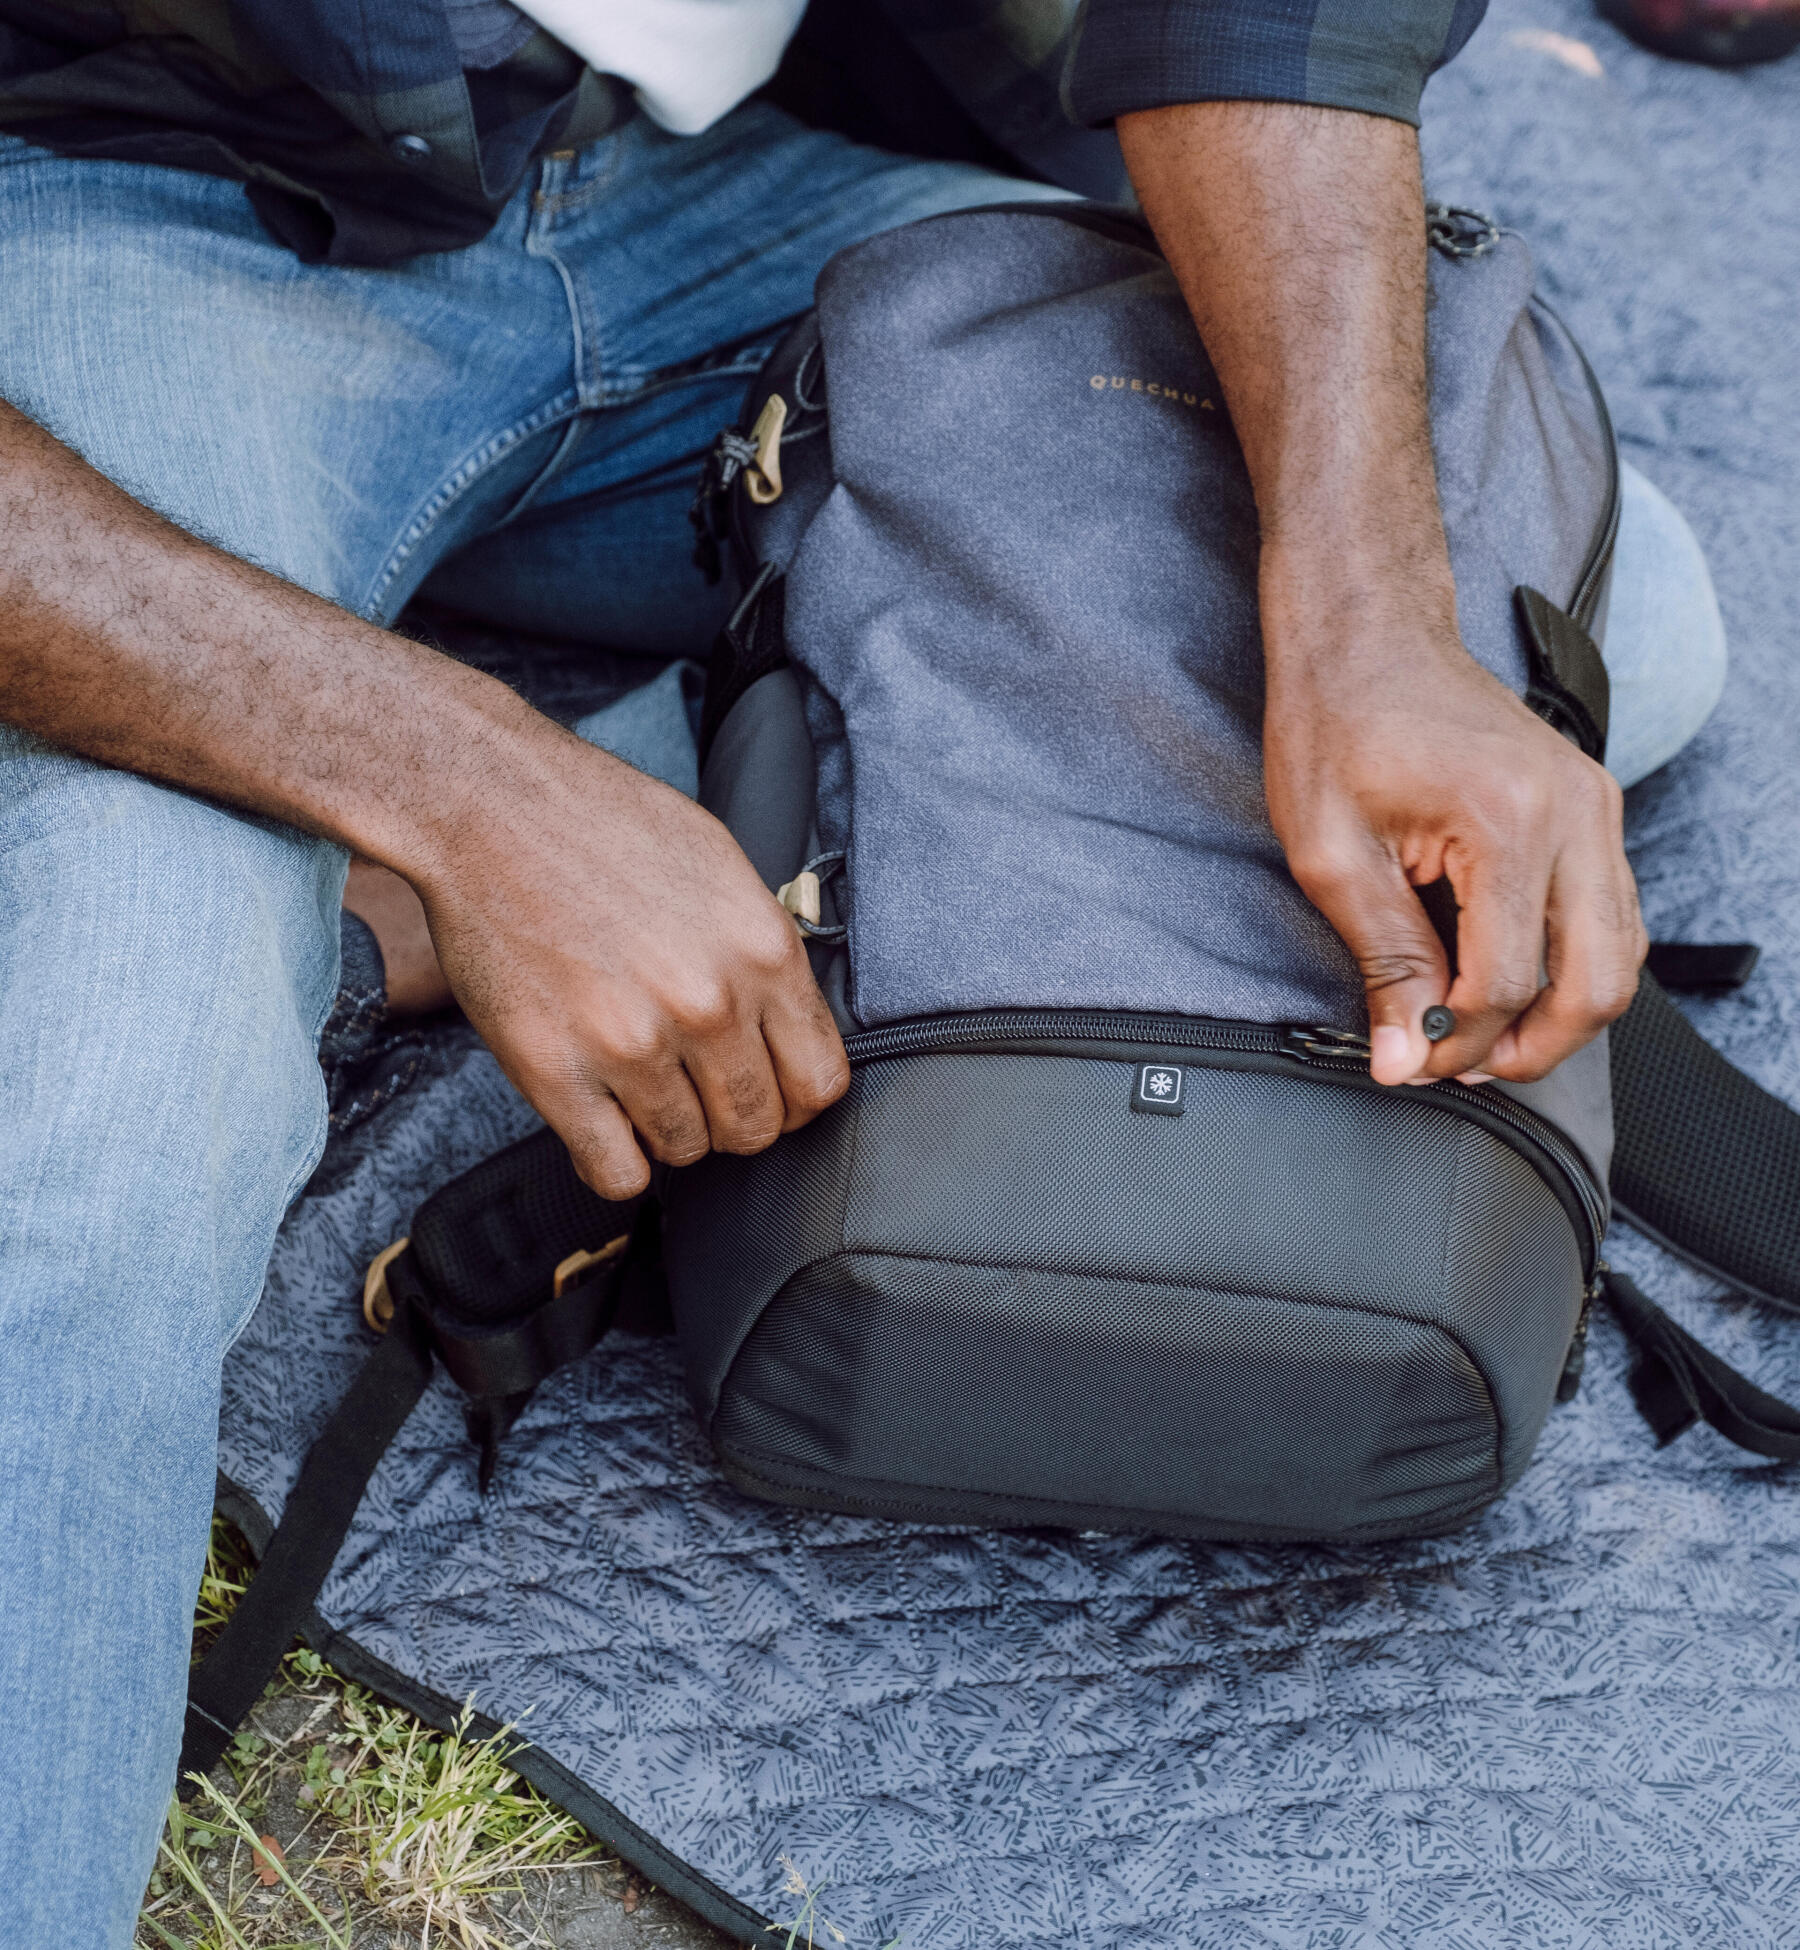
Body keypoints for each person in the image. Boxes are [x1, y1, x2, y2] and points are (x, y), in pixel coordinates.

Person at [0, 0, 1725, 1937]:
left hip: (710, 196)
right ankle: (488, 805)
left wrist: (1365, 613)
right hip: (116, 224)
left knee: (1606, 610)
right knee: (109, 1122)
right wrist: (460, 789)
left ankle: (552, 838)